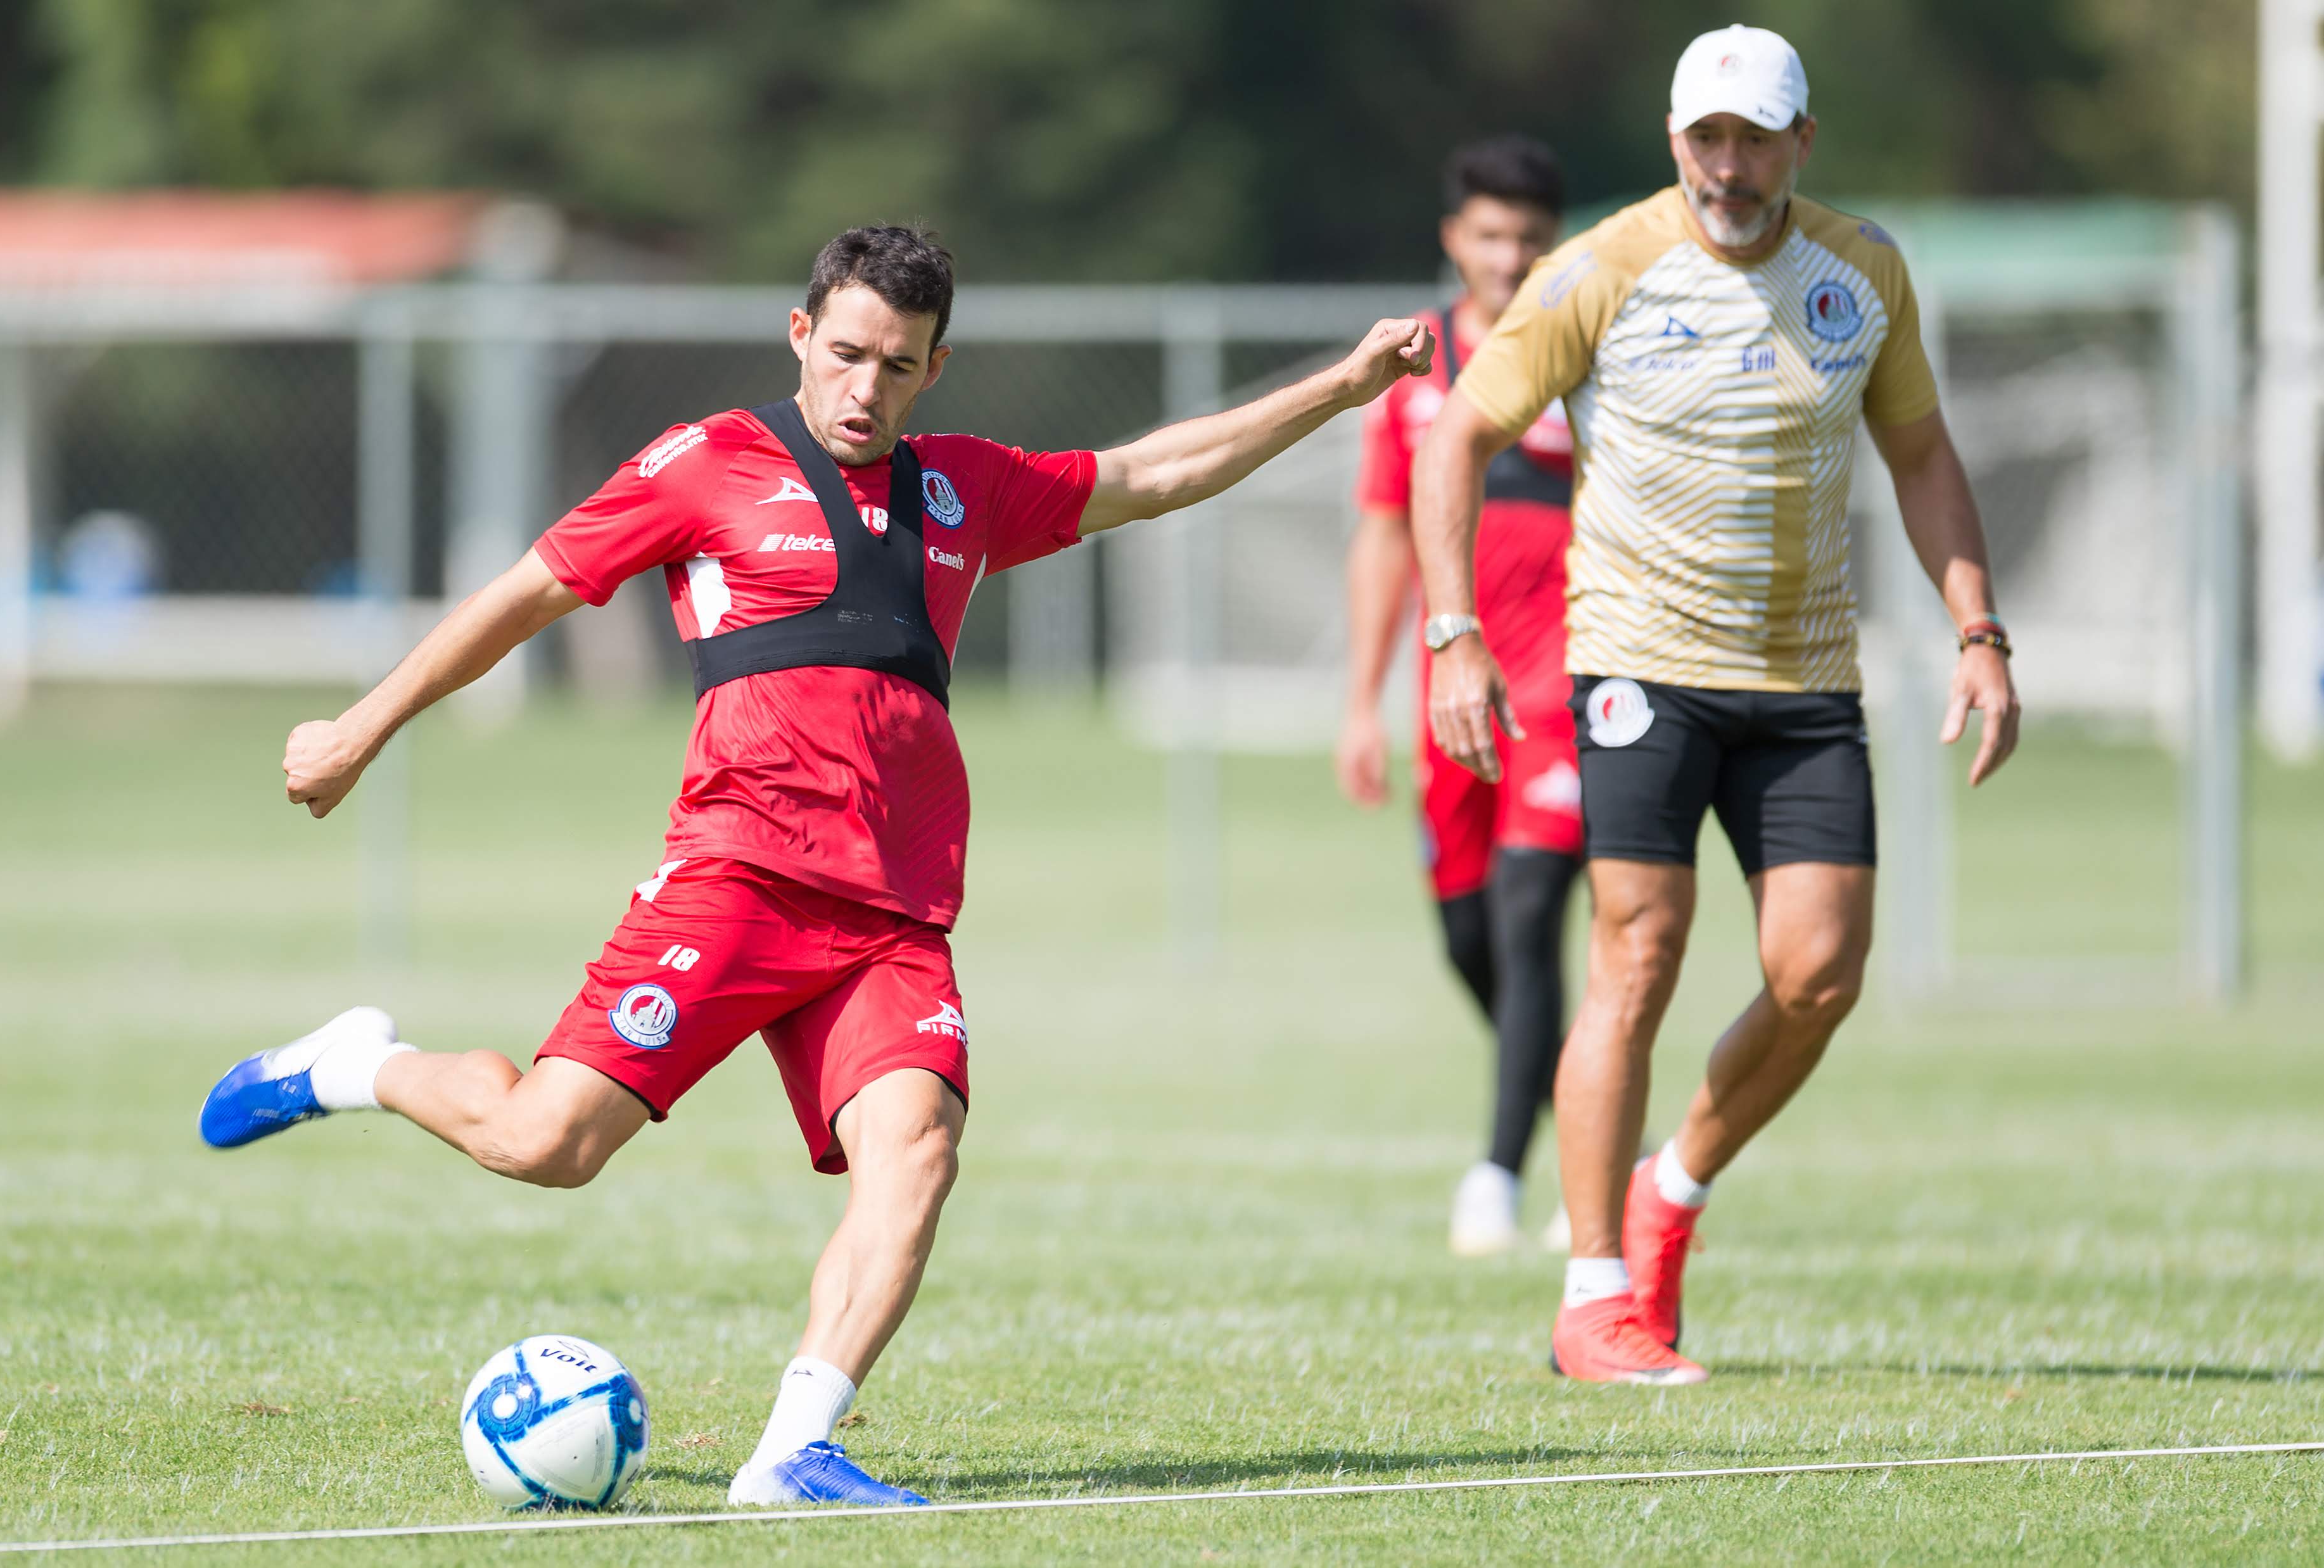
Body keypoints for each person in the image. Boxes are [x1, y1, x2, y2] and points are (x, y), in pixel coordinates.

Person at [197, 225, 1435, 1505]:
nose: (864, 388)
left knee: (919, 1146)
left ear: (933, 369)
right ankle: (351, 1064)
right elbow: (524, 595)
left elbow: (1155, 471)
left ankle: (793, 1449)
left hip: (894, 913)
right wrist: (360, 728)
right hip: (737, 877)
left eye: (897, 366)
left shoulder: (964, 488)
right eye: (845, 353)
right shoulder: (704, 463)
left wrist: (1342, 389)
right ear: (800, 334)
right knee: (544, 1143)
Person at [1410, 25, 2019, 1384]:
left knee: (1819, 974)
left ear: (1803, 142)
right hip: (1637, 669)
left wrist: (1977, 629)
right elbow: (1455, 437)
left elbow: (1921, 455)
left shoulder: (1862, 271)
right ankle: (1591, 1297)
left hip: (1804, 681)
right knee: (1637, 953)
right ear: (1673, 141)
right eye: (1705, 140)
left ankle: (1669, 1183)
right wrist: (1453, 635)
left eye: (1753, 141)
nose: (1727, 167)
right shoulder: (1599, 268)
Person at [1335, 136, 1584, 1256]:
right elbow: (1383, 537)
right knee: (1467, 937)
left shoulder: (1581, 353)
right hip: (1452, 691)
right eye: (1489, 235)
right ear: (1453, 239)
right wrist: (1360, 701)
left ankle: (1498, 1178)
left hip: (1566, 687)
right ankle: (1603, 1123)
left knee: (1530, 917)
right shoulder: (1413, 372)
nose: (1508, 257)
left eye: (1528, 237)